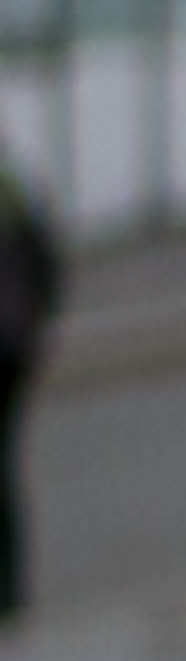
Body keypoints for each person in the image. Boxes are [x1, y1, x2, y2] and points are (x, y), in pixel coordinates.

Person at [0, 146, 58, 624]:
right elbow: (48, 265)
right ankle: (10, 586)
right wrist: (35, 325)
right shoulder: (13, 190)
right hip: (15, 343)